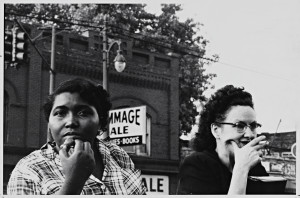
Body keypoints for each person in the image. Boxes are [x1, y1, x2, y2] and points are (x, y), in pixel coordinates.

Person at [7, 78, 146, 195]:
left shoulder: (117, 154)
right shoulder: (29, 170)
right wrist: (75, 180)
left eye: (83, 113)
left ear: (100, 122)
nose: (71, 122)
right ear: (49, 122)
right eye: (60, 113)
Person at [177, 85, 269, 195]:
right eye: (239, 125)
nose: (249, 134)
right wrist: (241, 169)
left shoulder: (255, 168)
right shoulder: (196, 166)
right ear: (216, 130)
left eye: (253, 126)